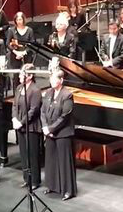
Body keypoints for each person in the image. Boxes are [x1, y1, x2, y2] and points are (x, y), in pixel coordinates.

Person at [41, 70, 77, 201]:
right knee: (51, 159)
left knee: (64, 162)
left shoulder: (67, 95)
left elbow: (65, 116)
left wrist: (50, 128)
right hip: (49, 132)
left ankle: (68, 190)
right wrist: (45, 127)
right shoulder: (48, 92)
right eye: (50, 79)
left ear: (61, 80)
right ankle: (52, 185)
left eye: (53, 79)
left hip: (63, 133)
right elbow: (43, 111)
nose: (51, 81)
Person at [12, 64, 42, 189]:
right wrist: (14, 118)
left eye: (22, 74)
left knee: (32, 154)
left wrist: (22, 122)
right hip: (20, 126)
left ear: (29, 76)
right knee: (23, 154)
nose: (19, 76)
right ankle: (26, 178)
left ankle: (35, 180)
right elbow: (14, 105)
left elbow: (33, 110)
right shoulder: (19, 88)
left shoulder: (35, 90)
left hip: (31, 127)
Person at [6, 12, 35, 89]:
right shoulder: (11, 30)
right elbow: (8, 43)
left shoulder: (29, 30)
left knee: (28, 74)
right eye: (17, 19)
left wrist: (24, 53)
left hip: (26, 54)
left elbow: (32, 44)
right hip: (15, 56)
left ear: (23, 20)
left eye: (20, 19)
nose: (19, 21)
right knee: (16, 76)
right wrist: (16, 52)